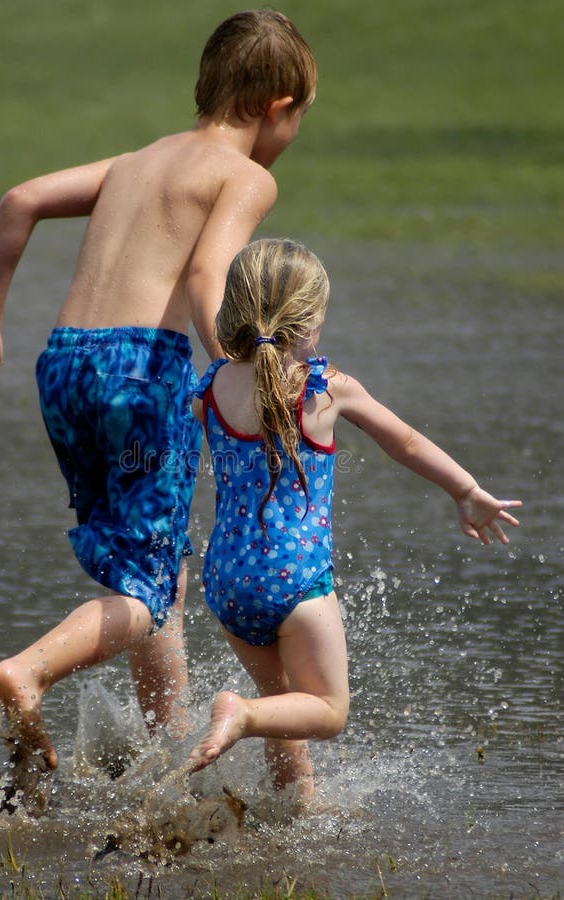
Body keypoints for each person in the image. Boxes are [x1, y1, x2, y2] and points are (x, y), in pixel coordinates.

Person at [0, 11, 317, 772]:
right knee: (149, 587)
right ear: (279, 104)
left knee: (152, 574)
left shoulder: (136, 160)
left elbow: (19, 199)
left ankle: (165, 747)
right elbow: (203, 278)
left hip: (63, 368)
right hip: (140, 372)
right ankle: (28, 671)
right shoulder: (247, 176)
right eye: (298, 119)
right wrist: (236, 371)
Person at [187, 238, 522, 802]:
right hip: (296, 581)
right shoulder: (325, 388)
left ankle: (296, 806)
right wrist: (466, 491)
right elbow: (406, 441)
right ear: (309, 324)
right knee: (326, 709)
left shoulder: (212, 386)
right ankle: (239, 716)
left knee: (282, 703)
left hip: (226, 579)